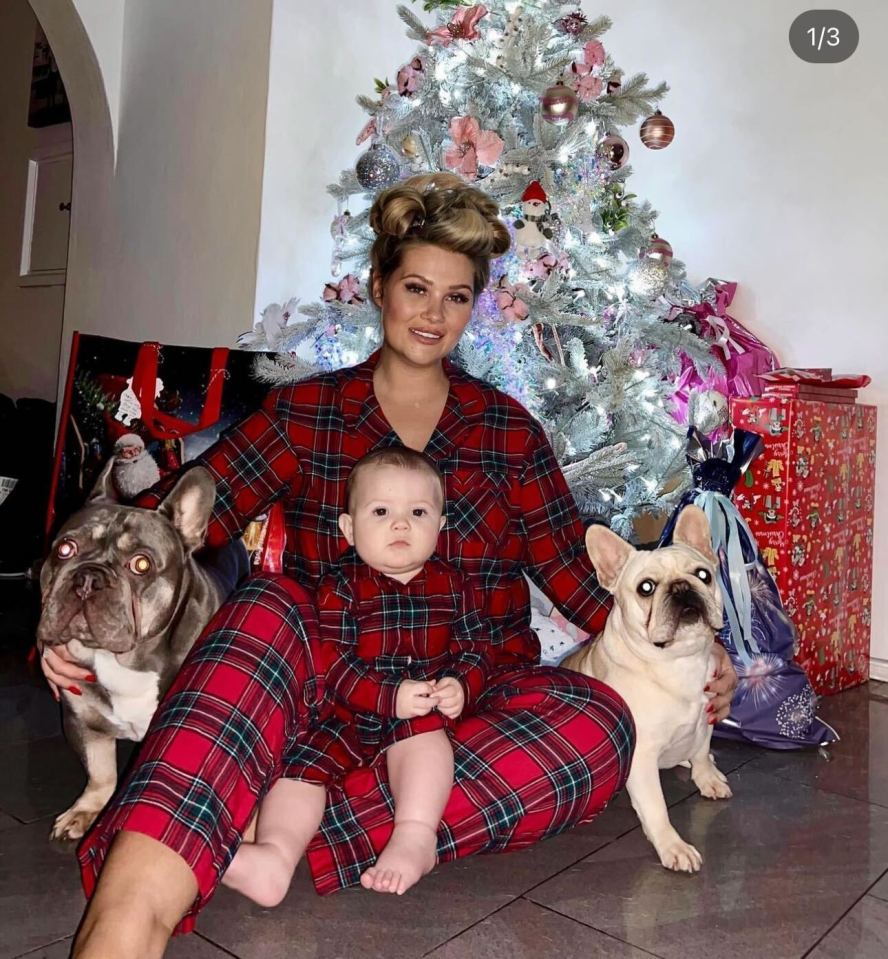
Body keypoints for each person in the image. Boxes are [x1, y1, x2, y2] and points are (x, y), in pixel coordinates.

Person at [41, 172, 738, 958]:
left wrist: (693, 647)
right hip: (324, 685)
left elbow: (585, 585)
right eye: (416, 287)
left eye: (458, 296)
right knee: (267, 605)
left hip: (468, 696)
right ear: (379, 286)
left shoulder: (508, 432)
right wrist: (73, 613)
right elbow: (173, 522)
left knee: (598, 725)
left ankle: (247, 810)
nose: (434, 314)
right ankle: (131, 913)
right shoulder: (308, 412)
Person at [224, 446, 492, 904]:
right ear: (350, 528)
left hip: (419, 708)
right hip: (345, 712)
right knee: (300, 769)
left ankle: (414, 835)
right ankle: (274, 858)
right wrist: (388, 696)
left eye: (419, 511)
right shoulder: (340, 585)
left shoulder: (455, 584)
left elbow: (475, 648)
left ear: (440, 526)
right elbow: (333, 662)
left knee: (425, 737)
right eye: (382, 511)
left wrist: (460, 685)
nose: (401, 524)